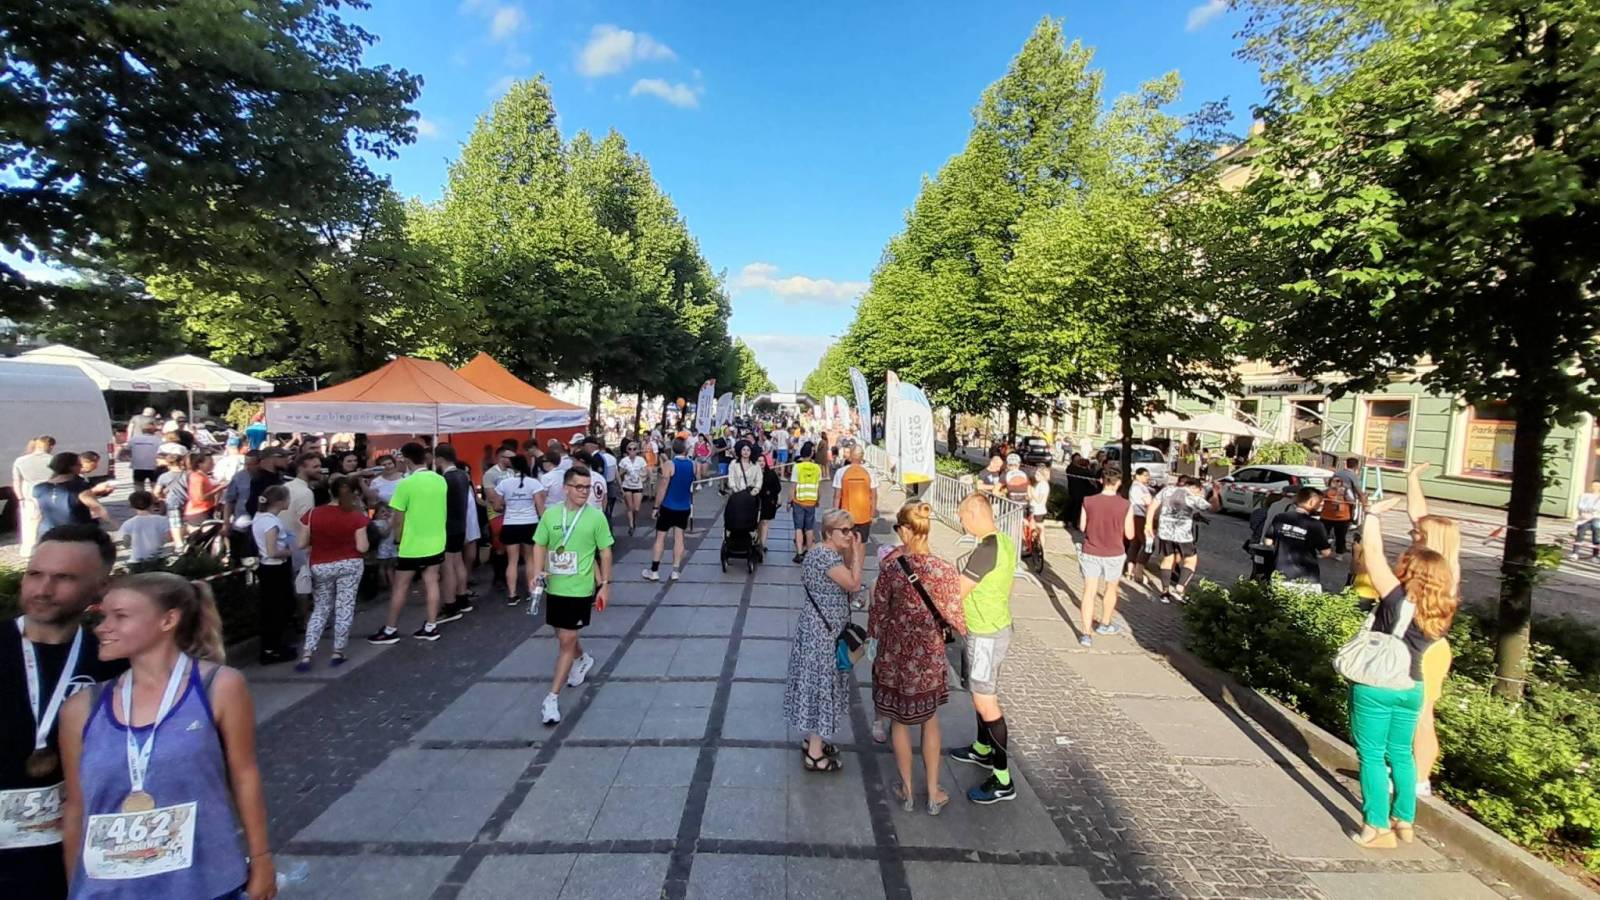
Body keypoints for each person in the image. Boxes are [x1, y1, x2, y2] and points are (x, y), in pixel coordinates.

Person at [58, 572, 274, 898]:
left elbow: (244, 775)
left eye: (120, 616)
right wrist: (75, 889)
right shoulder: (81, 708)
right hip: (112, 890)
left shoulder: (219, 687)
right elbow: (77, 809)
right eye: (103, 617)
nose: (102, 627)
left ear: (168, 620)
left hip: (206, 884)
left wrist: (261, 858)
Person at [1, 526, 126, 899]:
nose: (43, 589)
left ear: (101, 588)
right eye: (35, 574)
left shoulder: (114, 664)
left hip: (70, 859)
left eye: (64, 578)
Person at [1346, 500, 1459, 849]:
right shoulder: (1443, 606)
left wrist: (1373, 515)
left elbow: (1373, 553)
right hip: (1412, 686)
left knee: (1371, 755)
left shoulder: (1395, 598)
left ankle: (1376, 826)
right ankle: (1404, 819)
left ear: (1409, 571)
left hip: (1377, 684)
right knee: (1401, 754)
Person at [869, 502, 965, 813]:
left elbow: (877, 612)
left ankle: (908, 791)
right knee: (930, 719)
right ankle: (934, 791)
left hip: (896, 654)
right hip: (929, 656)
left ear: (906, 530)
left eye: (898, 529)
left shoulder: (892, 568)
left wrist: (877, 635)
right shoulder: (945, 570)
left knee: (899, 720)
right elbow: (955, 616)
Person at [528, 465, 614, 726]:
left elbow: (605, 552)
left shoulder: (596, 518)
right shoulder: (551, 514)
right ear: (565, 488)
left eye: (587, 488)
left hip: (580, 589)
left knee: (566, 639)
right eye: (579, 487)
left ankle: (552, 698)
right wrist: (537, 572)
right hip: (555, 586)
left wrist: (605, 584)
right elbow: (540, 544)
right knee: (562, 633)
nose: (584, 492)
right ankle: (582, 659)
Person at [949, 493, 1019, 804]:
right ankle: (982, 748)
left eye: (963, 518)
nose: (962, 523)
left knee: (985, 701)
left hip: (986, 634)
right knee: (979, 693)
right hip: (993, 625)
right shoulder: (1003, 542)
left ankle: (1002, 779)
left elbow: (957, 592)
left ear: (976, 514)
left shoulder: (985, 551)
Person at [787, 509, 863, 773]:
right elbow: (853, 584)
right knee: (822, 686)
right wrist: (858, 556)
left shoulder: (823, 552)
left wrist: (850, 552)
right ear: (829, 533)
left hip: (819, 629)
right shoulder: (825, 557)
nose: (850, 535)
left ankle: (812, 740)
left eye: (852, 530)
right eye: (845, 530)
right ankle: (815, 754)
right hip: (822, 633)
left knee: (817, 684)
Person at [368, 442, 449, 644]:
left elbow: (398, 518)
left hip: (412, 543)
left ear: (405, 459)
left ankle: (390, 629)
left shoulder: (405, 484)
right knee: (432, 582)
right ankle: (431, 626)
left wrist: (397, 539)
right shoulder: (440, 480)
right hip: (436, 540)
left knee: (400, 586)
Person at [296, 475, 370, 671]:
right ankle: (338, 651)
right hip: (350, 564)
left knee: (321, 608)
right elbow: (362, 547)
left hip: (321, 564)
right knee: (345, 606)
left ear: (330, 491)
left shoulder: (312, 514)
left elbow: (301, 543)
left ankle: (307, 653)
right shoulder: (356, 516)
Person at [1077, 468, 1134, 647]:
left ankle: (1086, 634)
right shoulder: (1126, 505)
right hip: (1114, 552)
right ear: (1119, 483)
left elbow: (1082, 527)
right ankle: (1105, 624)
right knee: (1111, 588)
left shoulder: (1088, 501)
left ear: (1101, 481)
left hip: (1091, 551)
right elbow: (1130, 534)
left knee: (1089, 591)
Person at [1147, 475, 1221, 604]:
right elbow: (1214, 508)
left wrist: (1148, 524)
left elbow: (1153, 505)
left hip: (1165, 532)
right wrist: (1216, 492)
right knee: (1191, 560)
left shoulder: (1167, 490)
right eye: (1201, 491)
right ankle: (1180, 588)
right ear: (1196, 488)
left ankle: (1165, 593)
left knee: (1167, 560)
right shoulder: (1193, 497)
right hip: (1183, 535)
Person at [249, 485, 297, 665]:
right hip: (275, 569)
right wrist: (290, 552)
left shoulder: (260, 518)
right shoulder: (271, 523)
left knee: (272, 609)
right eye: (287, 498)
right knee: (277, 609)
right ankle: (272, 649)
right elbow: (272, 551)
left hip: (268, 569)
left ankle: (274, 646)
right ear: (279, 502)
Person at [434, 445, 475, 623]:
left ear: (440, 458)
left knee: (448, 566)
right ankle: (462, 596)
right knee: (458, 561)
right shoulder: (463, 475)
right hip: (460, 524)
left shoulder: (445, 479)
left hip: (448, 526)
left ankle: (450, 605)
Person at [645, 439, 695, 582]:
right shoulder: (692, 464)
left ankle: (654, 570)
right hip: (684, 506)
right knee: (679, 538)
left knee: (660, 537)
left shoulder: (669, 464)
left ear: (673, 449)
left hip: (669, 506)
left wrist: (656, 506)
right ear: (685, 450)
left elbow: (662, 488)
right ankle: (675, 571)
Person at [1265, 487, 1333, 589]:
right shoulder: (1316, 525)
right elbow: (1326, 552)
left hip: (1280, 575)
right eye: (1320, 504)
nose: (1321, 507)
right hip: (1307, 578)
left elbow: (1268, 542)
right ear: (1312, 502)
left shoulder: (1280, 517)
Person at [34, 453, 110, 538]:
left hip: (48, 532)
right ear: (72, 467)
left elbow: (37, 514)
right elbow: (97, 509)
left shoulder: (39, 488)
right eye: (79, 464)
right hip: (76, 533)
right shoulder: (80, 486)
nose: (81, 467)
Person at [832, 446, 878, 545]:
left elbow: (837, 496)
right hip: (864, 515)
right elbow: (873, 496)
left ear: (850, 456)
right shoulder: (870, 473)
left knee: (846, 543)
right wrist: (872, 514)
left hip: (846, 515)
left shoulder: (841, 472)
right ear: (862, 457)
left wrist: (835, 515)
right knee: (861, 544)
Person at [119, 492, 171, 565]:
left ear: (132, 506)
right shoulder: (162, 520)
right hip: (159, 558)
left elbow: (126, 543)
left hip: (137, 560)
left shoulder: (128, 523)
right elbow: (168, 538)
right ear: (152, 503)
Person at [1125, 468, 1156, 585]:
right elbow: (1148, 502)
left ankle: (1130, 571)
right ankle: (1138, 571)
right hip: (1141, 517)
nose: (1147, 477)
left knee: (1135, 543)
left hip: (1136, 516)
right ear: (1137, 476)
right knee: (1149, 544)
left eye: (1148, 475)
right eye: (1145, 475)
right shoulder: (1138, 487)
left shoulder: (1139, 486)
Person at [183, 452, 224, 529]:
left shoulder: (203, 475)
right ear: (200, 464)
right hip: (198, 512)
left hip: (206, 509)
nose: (213, 464)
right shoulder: (197, 477)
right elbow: (200, 498)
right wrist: (220, 487)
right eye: (210, 463)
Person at [1320, 476, 1358, 556]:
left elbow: (1352, 501)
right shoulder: (1326, 491)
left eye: (1338, 481)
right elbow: (1319, 498)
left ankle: (1339, 553)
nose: (1336, 483)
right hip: (1326, 517)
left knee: (1340, 537)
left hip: (1342, 518)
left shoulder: (1346, 490)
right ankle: (1323, 550)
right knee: (1323, 535)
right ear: (1330, 482)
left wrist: (1344, 494)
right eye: (1334, 481)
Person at [617, 441, 648, 535]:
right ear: (627, 450)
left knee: (636, 508)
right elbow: (619, 474)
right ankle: (631, 525)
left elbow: (645, 472)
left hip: (638, 486)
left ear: (637, 450)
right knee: (630, 507)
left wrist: (643, 478)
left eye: (634, 449)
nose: (632, 450)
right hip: (627, 485)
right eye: (630, 449)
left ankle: (634, 519)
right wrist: (620, 486)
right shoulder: (624, 461)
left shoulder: (641, 460)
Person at [126, 424, 162, 494]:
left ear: (142, 430)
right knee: (155, 486)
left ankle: (140, 499)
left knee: (138, 486)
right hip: (153, 466)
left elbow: (127, 450)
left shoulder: (134, 439)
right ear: (153, 431)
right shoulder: (158, 440)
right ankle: (154, 498)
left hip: (138, 466)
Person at [758, 457, 782, 550]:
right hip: (756, 500)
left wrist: (778, 499)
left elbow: (777, 487)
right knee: (757, 522)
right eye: (759, 461)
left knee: (765, 522)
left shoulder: (771, 473)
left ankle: (762, 544)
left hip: (768, 501)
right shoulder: (753, 473)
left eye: (763, 461)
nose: (761, 463)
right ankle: (757, 541)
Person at [1573, 480, 1600, 560]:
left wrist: (1592, 514)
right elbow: (1580, 506)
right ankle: (1575, 553)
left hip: (1596, 517)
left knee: (1597, 530)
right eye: (1594, 486)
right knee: (1580, 532)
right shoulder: (1585, 495)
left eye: (1597, 486)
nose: (1595, 488)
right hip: (1584, 517)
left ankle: (1595, 555)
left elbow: (1597, 509)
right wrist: (1583, 513)